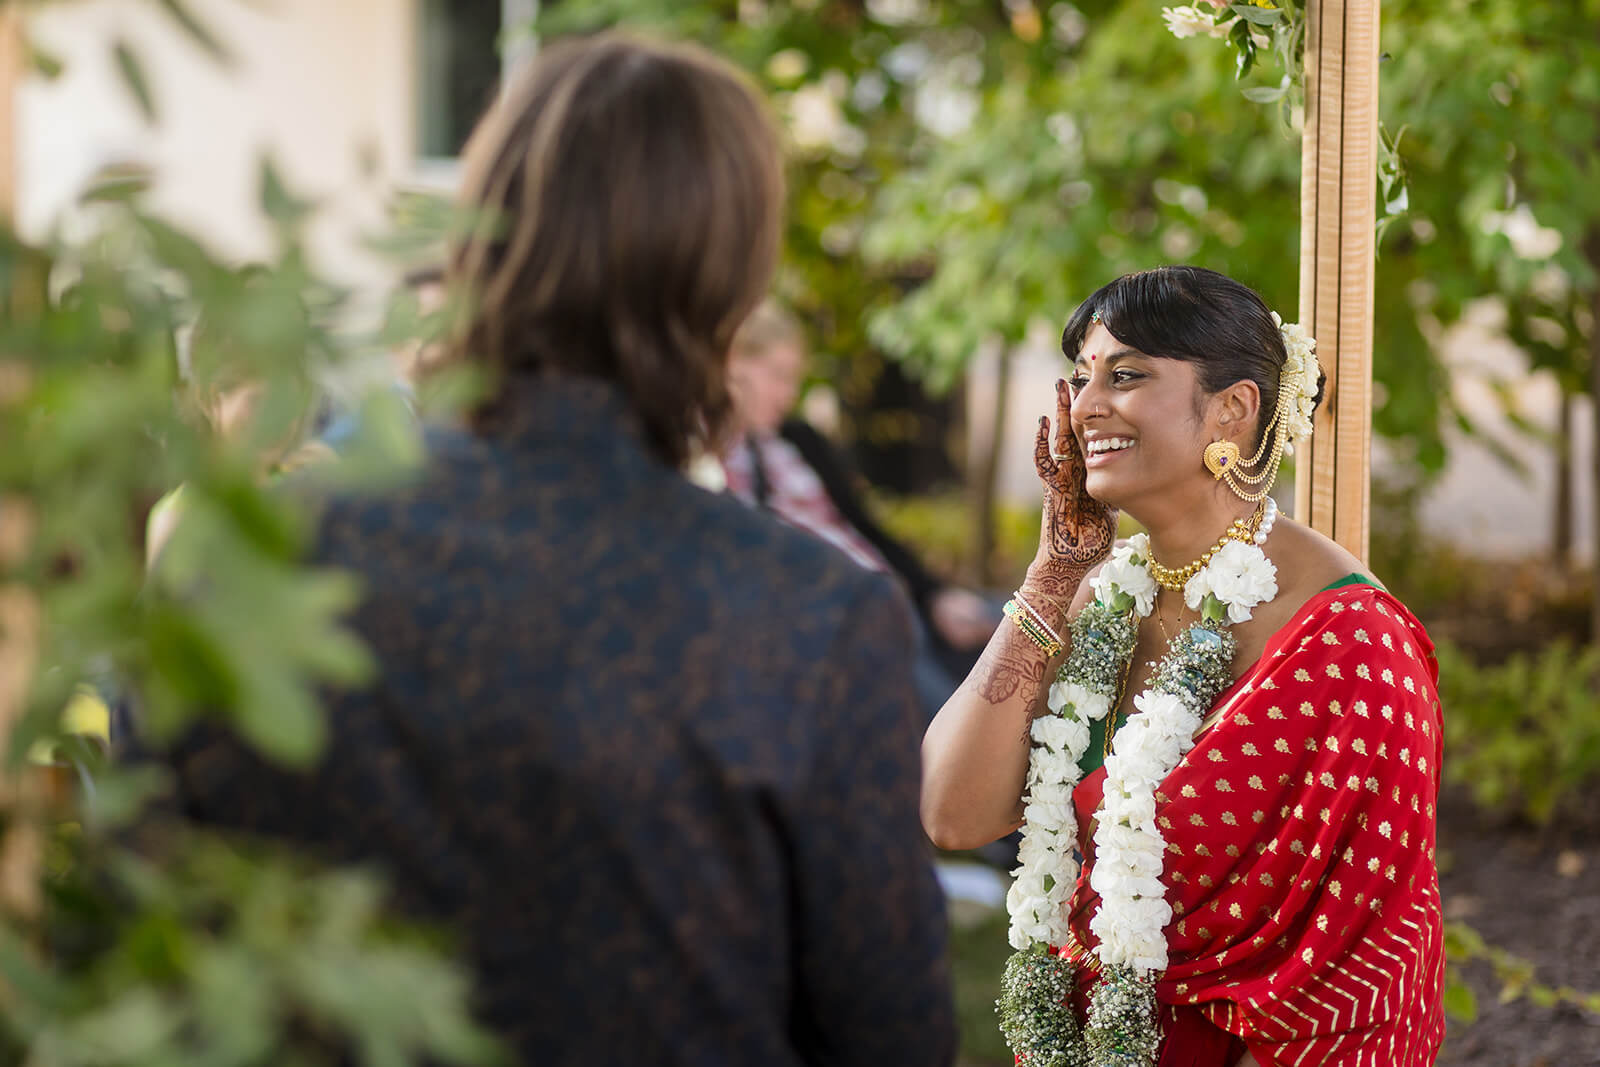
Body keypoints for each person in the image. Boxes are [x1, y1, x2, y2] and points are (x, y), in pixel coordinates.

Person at [146, 34, 955, 1066]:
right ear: (728, 280)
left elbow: (139, 932)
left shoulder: (244, 551)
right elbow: (893, 1033)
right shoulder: (809, 614)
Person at [921, 266, 1445, 1066]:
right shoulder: (1097, 596)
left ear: (1232, 410)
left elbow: (1359, 963)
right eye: (1080, 377)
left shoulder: (1351, 643)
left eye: (1125, 375)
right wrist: (1051, 574)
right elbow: (952, 813)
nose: (1086, 405)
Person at [720, 301, 999, 719]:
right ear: (732, 365)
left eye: (793, 379)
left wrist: (934, 594)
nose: (788, 394)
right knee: (965, 723)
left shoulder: (797, 440)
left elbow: (865, 527)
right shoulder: (711, 464)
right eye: (778, 376)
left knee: (1026, 625)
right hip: (847, 627)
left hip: (895, 600)